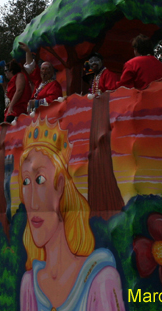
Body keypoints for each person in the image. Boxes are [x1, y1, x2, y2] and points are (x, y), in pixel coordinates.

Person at [19, 124, 124, 311]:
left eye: (40, 179)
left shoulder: (100, 280)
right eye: (26, 181)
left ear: (60, 185)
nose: (32, 203)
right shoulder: (29, 284)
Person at [19, 43, 62, 110]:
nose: (44, 71)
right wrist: (28, 52)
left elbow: (54, 100)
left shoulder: (54, 85)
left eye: (47, 69)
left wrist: (36, 103)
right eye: (42, 69)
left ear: (52, 72)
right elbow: (31, 68)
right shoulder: (39, 82)